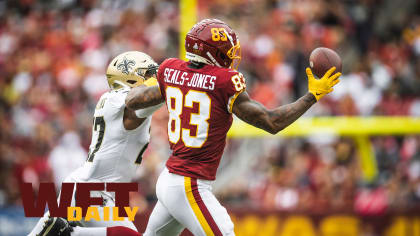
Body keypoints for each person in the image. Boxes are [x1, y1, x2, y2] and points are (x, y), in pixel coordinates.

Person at [124, 18, 341, 236]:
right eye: (226, 50)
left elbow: (134, 100)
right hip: (189, 185)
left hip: (170, 179)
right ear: (213, 52)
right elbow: (272, 122)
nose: (231, 55)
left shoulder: (170, 69)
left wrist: (171, 86)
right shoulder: (223, 82)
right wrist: (312, 96)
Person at [30, 51, 162, 236]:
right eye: (147, 74)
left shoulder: (112, 100)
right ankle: (65, 234)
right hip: (93, 191)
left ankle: (61, 231)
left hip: (93, 188)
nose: (152, 78)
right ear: (130, 77)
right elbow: (145, 97)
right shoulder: (119, 99)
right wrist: (177, 81)